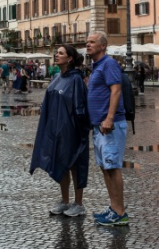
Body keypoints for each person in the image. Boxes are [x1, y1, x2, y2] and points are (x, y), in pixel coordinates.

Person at [30, 44, 90, 218]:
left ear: (70, 58)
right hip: (55, 130)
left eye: (61, 53)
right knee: (61, 163)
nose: (56, 55)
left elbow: (80, 106)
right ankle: (64, 201)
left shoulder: (76, 79)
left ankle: (79, 203)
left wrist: (81, 130)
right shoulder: (57, 77)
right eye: (56, 53)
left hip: (72, 130)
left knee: (75, 165)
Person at [85, 32, 129, 226]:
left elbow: (116, 89)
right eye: (87, 42)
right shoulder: (97, 66)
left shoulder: (109, 64)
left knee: (112, 167)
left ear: (103, 46)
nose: (88, 45)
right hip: (100, 126)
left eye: (92, 42)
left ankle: (120, 213)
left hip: (109, 125)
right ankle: (113, 208)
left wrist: (110, 118)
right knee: (105, 168)